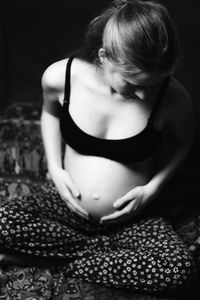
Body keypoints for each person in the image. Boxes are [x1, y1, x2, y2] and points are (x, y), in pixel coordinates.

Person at [0, 0, 197, 294]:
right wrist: (55, 167)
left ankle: (54, 258)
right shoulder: (61, 77)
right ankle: (102, 254)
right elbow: (51, 112)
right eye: (132, 83)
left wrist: (153, 187)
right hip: (66, 206)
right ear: (104, 57)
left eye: (153, 83)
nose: (143, 94)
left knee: (177, 269)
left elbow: (184, 141)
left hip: (132, 218)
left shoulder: (173, 99)